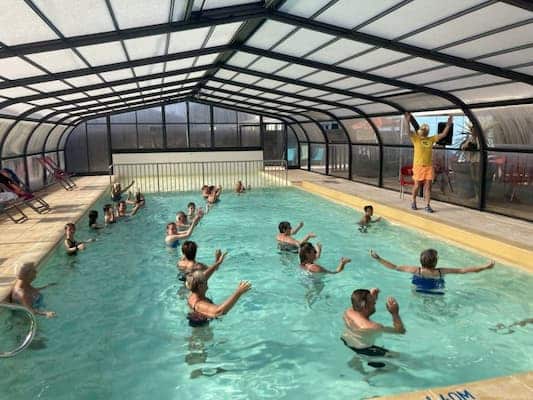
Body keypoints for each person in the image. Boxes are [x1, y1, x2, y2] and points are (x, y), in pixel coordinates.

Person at [369, 249, 495, 295]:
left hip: (418, 293)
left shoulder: (416, 270)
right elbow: (463, 270)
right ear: (435, 262)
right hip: (437, 294)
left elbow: (394, 267)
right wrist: (485, 267)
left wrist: (379, 258)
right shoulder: (440, 272)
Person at [404, 112, 452, 213]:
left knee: (428, 186)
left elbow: (443, 134)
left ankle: (427, 205)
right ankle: (413, 201)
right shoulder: (416, 139)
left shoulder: (431, 139)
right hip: (418, 166)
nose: (424, 131)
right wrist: (407, 121)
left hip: (429, 167)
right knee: (417, 185)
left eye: (425, 129)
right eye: (423, 129)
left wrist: (448, 125)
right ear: (421, 131)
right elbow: (408, 132)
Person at [341, 288, 405, 358]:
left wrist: (371, 296)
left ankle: (356, 359)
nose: (375, 302)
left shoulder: (348, 312)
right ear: (364, 305)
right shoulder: (373, 327)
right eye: (372, 302)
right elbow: (400, 331)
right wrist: (395, 313)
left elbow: (358, 303)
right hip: (364, 350)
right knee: (398, 357)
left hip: (347, 341)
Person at [186, 270, 251, 327]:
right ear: (200, 286)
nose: (207, 281)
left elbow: (197, 279)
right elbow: (220, 312)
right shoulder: (200, 304)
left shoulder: (192, 294)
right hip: (202, 334)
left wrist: (217, 263)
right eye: (205, 281)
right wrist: (238, 292)